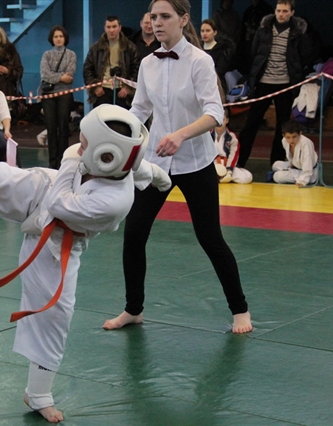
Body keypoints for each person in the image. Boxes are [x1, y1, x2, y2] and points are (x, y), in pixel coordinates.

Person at [0, 104, 171, 423]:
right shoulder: (123, 159)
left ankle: (38, 393)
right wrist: (162, 178)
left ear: (107, 157)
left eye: (84, 144)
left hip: (56, 236)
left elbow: (58, 203)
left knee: (55, 315)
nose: (78, 147)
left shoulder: (114, 201)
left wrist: (71, 159)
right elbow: (144, 168)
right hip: (41, 188)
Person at [103, 0, 252, 334]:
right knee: (134, 233)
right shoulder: (147, 63)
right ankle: (133, 309)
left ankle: (240, 310)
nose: (157, 22)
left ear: (184, 20)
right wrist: (108, 133)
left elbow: (215, 113)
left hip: (196, 161)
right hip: (156, 163)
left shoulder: (200, 61)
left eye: (165, 17)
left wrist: (181, 135)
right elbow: (139, 110)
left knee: (210, 238)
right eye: (153, 17)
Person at [237, 0, 313, 169]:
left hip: (285, 84)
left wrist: (297, 76)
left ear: (292, 12)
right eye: (279, 10)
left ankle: (276, 163)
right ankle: (239, 161)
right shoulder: (264, 29)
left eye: (285, 11)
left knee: (282, 126)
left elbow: (306, 56)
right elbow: (254, 53)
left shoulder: (298, 33)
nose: (281, 14)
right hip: (263, 83)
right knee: (251, 123)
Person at [83, 15, 140, 109]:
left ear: (120, 28)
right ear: (104, 28)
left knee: (121, 118)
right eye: (108, 27)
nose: (111, 30)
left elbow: (136, 69)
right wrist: (95, 87)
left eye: (114, 26)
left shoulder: (130, 47)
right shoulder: (95, 48)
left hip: (123, 92)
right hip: (102, 91)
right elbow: (87, 69)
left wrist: (128, 87)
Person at [39, 25, 76, 169]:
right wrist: (61, 77)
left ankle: (63, 161)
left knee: (63, 127)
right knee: (51, 129)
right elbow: (45, 75)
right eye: (56, 36)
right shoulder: (46, 55)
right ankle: (52, 162)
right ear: (52, 39)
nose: (59, 39)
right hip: (48, 96)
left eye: (61, 36)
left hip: (65, 95)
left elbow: (70, 75)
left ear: (65, 38)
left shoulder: (71, 55)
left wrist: (54, 76)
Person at [212, 108, 253, 184]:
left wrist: (229, 170)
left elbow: (233, 155)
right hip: (212, 165)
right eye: (217, 119)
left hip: (227, 164)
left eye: (223, 120)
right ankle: (218, 176)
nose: (220, 123)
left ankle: (223, 177)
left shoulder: (232, 137)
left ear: (227, 120)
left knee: (247, 177)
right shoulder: (208, 135)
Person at [271, 120, 318, 186]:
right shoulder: (284, 141)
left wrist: (303, 181)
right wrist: (292, 163)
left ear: (300, 134)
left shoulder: (306, 143)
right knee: (275, 165)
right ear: (283, 136)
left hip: (308, 172)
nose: (291, 140)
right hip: (295, 166)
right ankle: (288, 171)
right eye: (288, 137)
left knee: (277, 176)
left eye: (294, 137)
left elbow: (308, 164)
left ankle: (295, 175)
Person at [237, 0, 274, 75]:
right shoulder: (249, 11)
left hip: (262, 45)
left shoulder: (267, 9)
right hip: (248, 43)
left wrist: (254, 30)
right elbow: (243, 29)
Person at [200, 19, 235, 93]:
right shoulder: (196, 49)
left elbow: (220, 70)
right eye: (202, 31)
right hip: (199, 86)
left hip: (217, 86)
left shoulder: (222, 49)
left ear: (215, 32)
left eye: (208, 31)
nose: (204, 33)